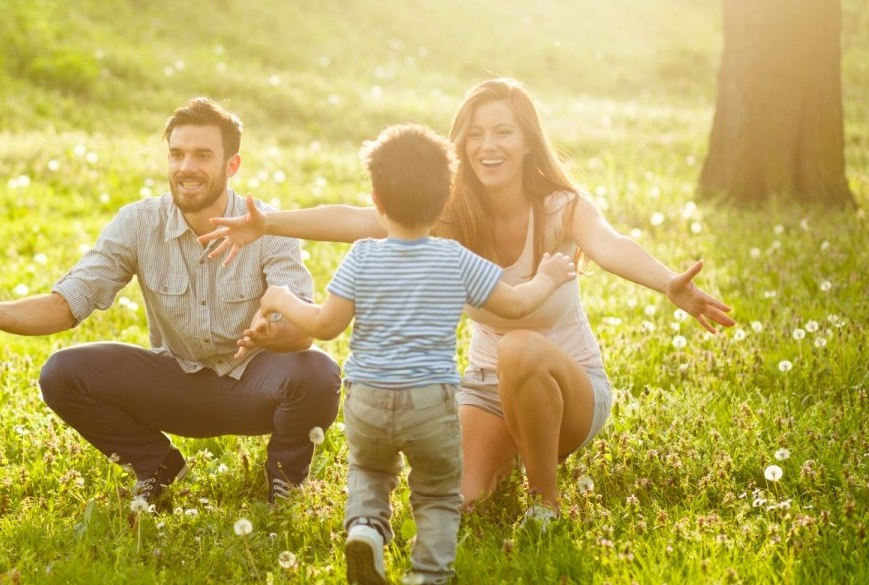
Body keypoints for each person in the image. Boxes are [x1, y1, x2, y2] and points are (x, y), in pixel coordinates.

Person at [200, 78, 735, 523]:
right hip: (484, 391)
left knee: (519, 348)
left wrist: (667, 281)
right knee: (461, 503)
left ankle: (545, 502)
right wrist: (267, 222)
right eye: (476, 134)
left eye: (504, 132)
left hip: (569, 389)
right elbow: (357, 219)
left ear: (528, 141)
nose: (489, 145)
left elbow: (612, 246)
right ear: (461, 145)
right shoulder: (450, 213)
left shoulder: (561, 208)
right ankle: (514, 451)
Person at [0, 97, 341, 508]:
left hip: (253, 385)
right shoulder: (138, 223)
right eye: (177, 154)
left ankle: (285, 479)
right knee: (62, 372)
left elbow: (302, 333)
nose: (186, 167)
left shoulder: (268, 227)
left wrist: (275, 333)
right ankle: (157, 465)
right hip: (175, 382)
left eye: (202, 155)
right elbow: (69, 302)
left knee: (319, 373)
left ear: (231, 165)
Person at [255, 124, 576, 585]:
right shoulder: (455, 258)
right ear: (447, 199)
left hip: (367, 397)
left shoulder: (363, 256)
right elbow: (519, 303)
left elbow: (326, 324)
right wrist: (548, 275)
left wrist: (281, 298)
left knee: (369, 470)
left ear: (378, 202)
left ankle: (366, 529)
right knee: (437, 493)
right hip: (430, 401)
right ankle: (427, 573)